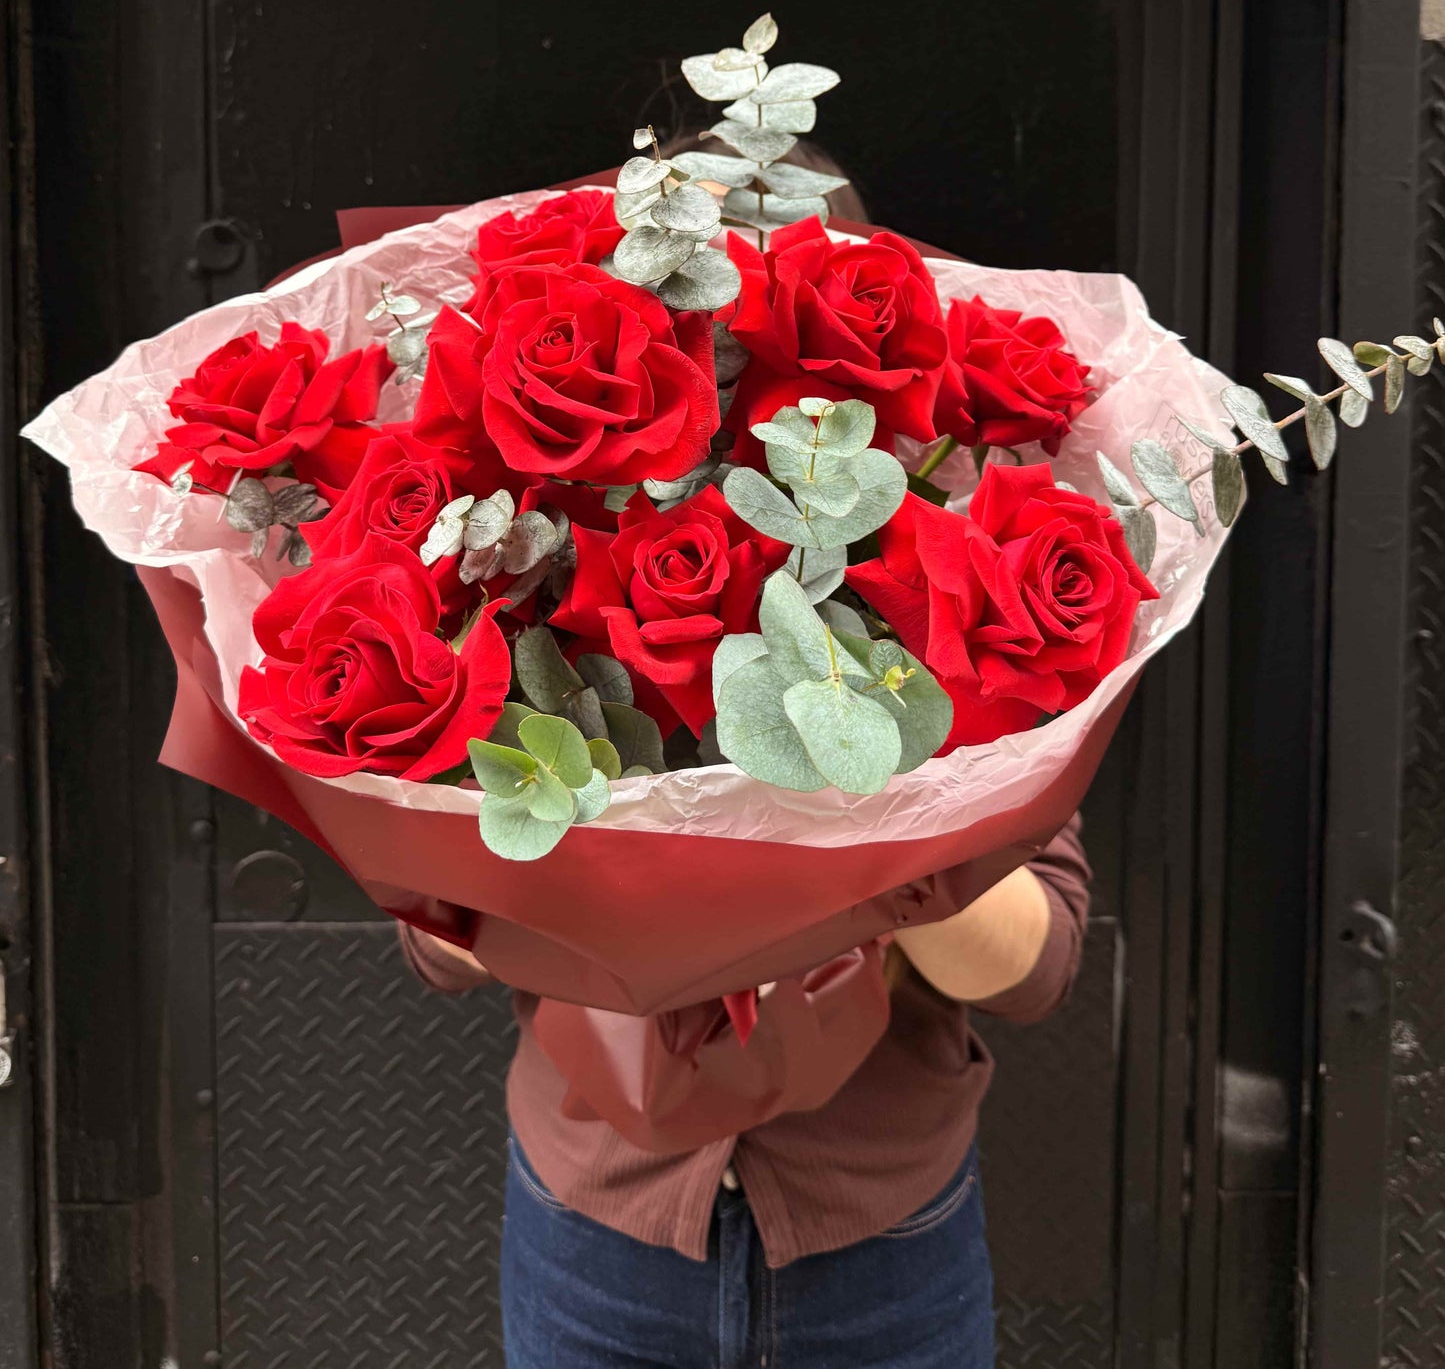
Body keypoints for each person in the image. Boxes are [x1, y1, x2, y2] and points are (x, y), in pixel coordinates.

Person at [399, 142, 1092, 1367]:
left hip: (880, 1241)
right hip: (597, 1232)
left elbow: (1034, 963)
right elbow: (439, 947)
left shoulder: (950, 569)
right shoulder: (538, 558)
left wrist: (860, 804)